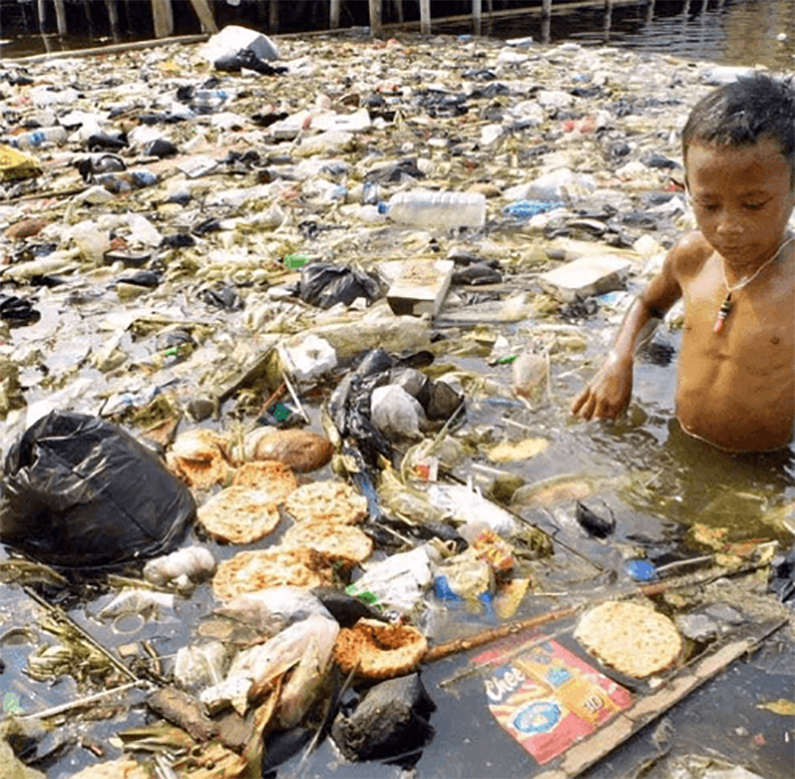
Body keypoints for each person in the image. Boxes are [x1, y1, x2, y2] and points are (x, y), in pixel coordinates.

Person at [571, 73, 795, 453]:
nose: (728, 227)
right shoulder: (693, 257)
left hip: (765, 470)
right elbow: (648, 304)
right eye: (708, 205)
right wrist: (618, 359)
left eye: (754, 204)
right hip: (680, 444)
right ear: (687, 188)